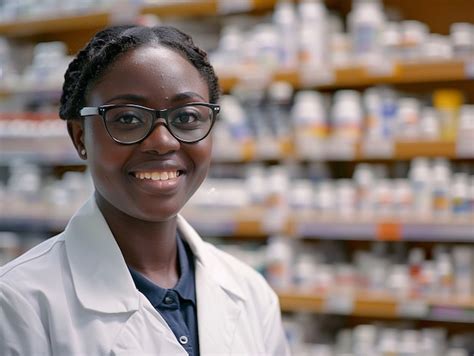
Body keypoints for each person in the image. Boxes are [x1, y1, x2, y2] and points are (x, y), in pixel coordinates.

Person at [0, 25, 290, 355]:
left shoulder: (251, 293)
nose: (163, 141)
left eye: (187, 116)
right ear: (80, 137)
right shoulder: (18, 303)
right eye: (127, 119)